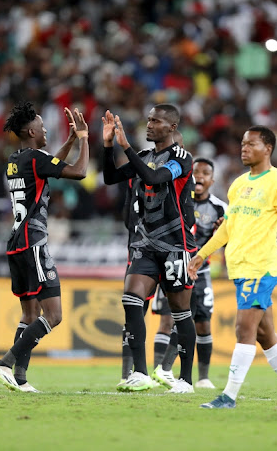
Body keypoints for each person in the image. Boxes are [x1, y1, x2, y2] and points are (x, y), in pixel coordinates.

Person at [187, 126, 277, 409]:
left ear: (267, 148)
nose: (244, 149)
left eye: (251, 144)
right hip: (240, 268)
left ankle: (228, 397)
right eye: (243, 144)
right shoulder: (238, 184)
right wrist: (201, 254)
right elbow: (228, 228)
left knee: (243, 329)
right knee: (264, 333)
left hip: (262, 267)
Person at [0, 104, 89, 392]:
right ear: (31, 131)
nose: (46, 130)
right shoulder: (36, 158)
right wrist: (83, 138)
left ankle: (19, 378)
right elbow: (79, 172)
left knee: (29, 315)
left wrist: (68, 141)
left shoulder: (15, 160)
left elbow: (48, 167)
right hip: (34, 242)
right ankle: (5, 364)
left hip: (16, 244)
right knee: (53, 315)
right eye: (42, 126)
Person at [103, 105, 198, 393]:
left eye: (156, 120)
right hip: (144, 244)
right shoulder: (145, 157)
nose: (149, 124)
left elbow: (155, 178)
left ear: (171, 127)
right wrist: (109, 146)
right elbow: (110, 177)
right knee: (131, 299)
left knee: (180, 311)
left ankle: (186, 380)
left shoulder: (181, 157)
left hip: (174, 246)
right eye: (148, 119)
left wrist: (126, 148)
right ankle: (141, 373)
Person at [152, 157, 227, 390]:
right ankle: (157, 373)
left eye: (206, 173)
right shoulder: (176, 198)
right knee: (167, 320)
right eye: (196, 172)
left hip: (201, 272)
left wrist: (222, 235)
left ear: (212, 180)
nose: (200, 177)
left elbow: (229, 242)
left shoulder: (220, 209)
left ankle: (203, 377)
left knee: (203, 323)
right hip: (173, 268)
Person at [119, 132, 184, 386]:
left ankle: (169, 372)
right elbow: (127, 214)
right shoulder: (139, 172)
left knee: (177, 313)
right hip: (141, 250)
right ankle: (132, 373)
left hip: (173, 251)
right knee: (134, 307)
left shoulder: (179, 174)